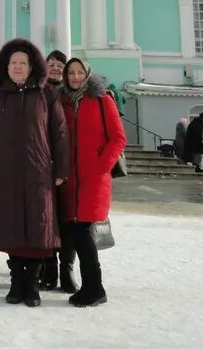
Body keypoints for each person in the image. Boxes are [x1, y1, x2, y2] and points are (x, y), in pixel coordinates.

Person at [0, 38, 69, 309]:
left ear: (32, 67)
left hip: (39, 173)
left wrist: (61, 169)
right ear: (6, 66)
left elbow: (60, 134)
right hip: (5, 173)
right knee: (11, 226)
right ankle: (17, 283)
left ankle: (33, 285)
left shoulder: (47, 94)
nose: (17, 67)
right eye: (13, 63)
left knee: (38, 227)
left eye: (23, 63)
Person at [58, 58, 126, 307]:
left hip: (94, 179)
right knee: (77, 233)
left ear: (87, 74)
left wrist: (101, 167)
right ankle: (92, 287)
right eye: (71, 73)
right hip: (70, 180)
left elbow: (118, 138)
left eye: (79, 72)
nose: (75, 77)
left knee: (84, 232)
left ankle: (94, 288)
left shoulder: (101, 99)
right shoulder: (62, 101)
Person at [37, 49, 76, 292]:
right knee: (47, 219)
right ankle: (48, 269)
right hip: (42, 167)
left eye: (60, 64)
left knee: (68, 221)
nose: (55, 68)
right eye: (50, 63)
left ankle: (67, 270)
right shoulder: (37, 92)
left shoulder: (73, 95)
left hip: (69, 167)